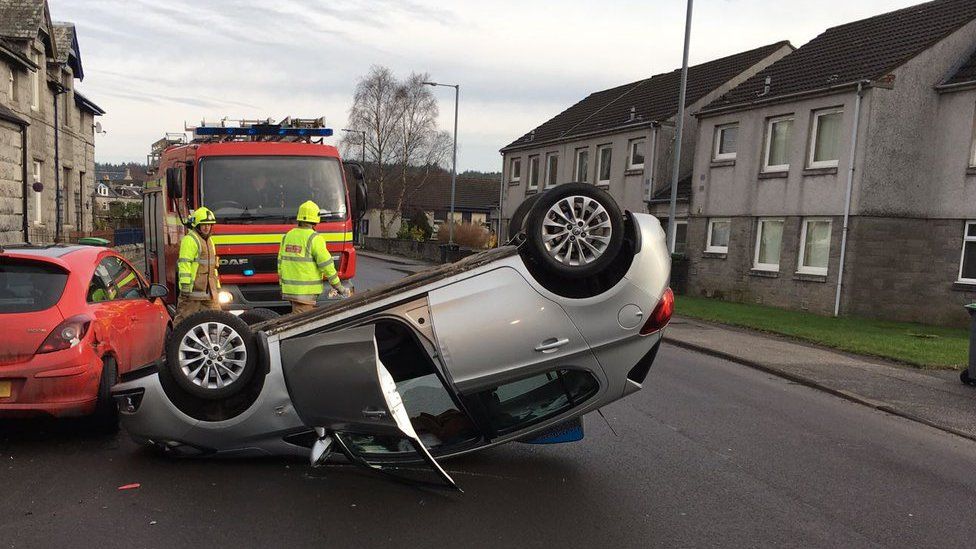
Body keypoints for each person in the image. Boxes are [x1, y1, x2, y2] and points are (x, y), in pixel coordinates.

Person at [278, 200, 350, 314]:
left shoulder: (287, 236)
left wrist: (283, 285)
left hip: (289, 289)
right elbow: (327, 266)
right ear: (316, 219)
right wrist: (339, 287)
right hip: (305, 292)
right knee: (301, 323)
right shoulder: (314, 238)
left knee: (298, 317)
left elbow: (280, 264)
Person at [174, 207, 221, 324]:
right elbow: (185, 263)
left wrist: (217, 286)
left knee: (218, 321)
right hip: (192, 293)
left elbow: (213, 267)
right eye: (203, 224)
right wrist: (185, 285)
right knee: (183, 323)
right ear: (197, 225)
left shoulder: (210, 241)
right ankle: (175, 342)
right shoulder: (190, 240)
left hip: (209, 293)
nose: (206, 227)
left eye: (209, 225)